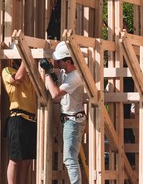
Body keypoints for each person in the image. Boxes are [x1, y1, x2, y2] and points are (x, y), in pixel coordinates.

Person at [43, 41, 86, 184]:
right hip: (68, 119)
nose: (57, 62)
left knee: (69, 158)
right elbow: (58, 84)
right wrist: (52, 75)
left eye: (59, 60)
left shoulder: (75, 77)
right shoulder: (65, 72)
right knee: (69, 157)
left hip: (73, 121)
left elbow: (55, 94)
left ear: (68, 61)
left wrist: (48, 73)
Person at [2, 44, 38, 184]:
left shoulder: (29, 74)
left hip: (31, 120)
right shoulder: (7, 70)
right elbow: (18, 78)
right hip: (18, 118)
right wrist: (26, 58)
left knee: (27, 160)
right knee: (15, 159)